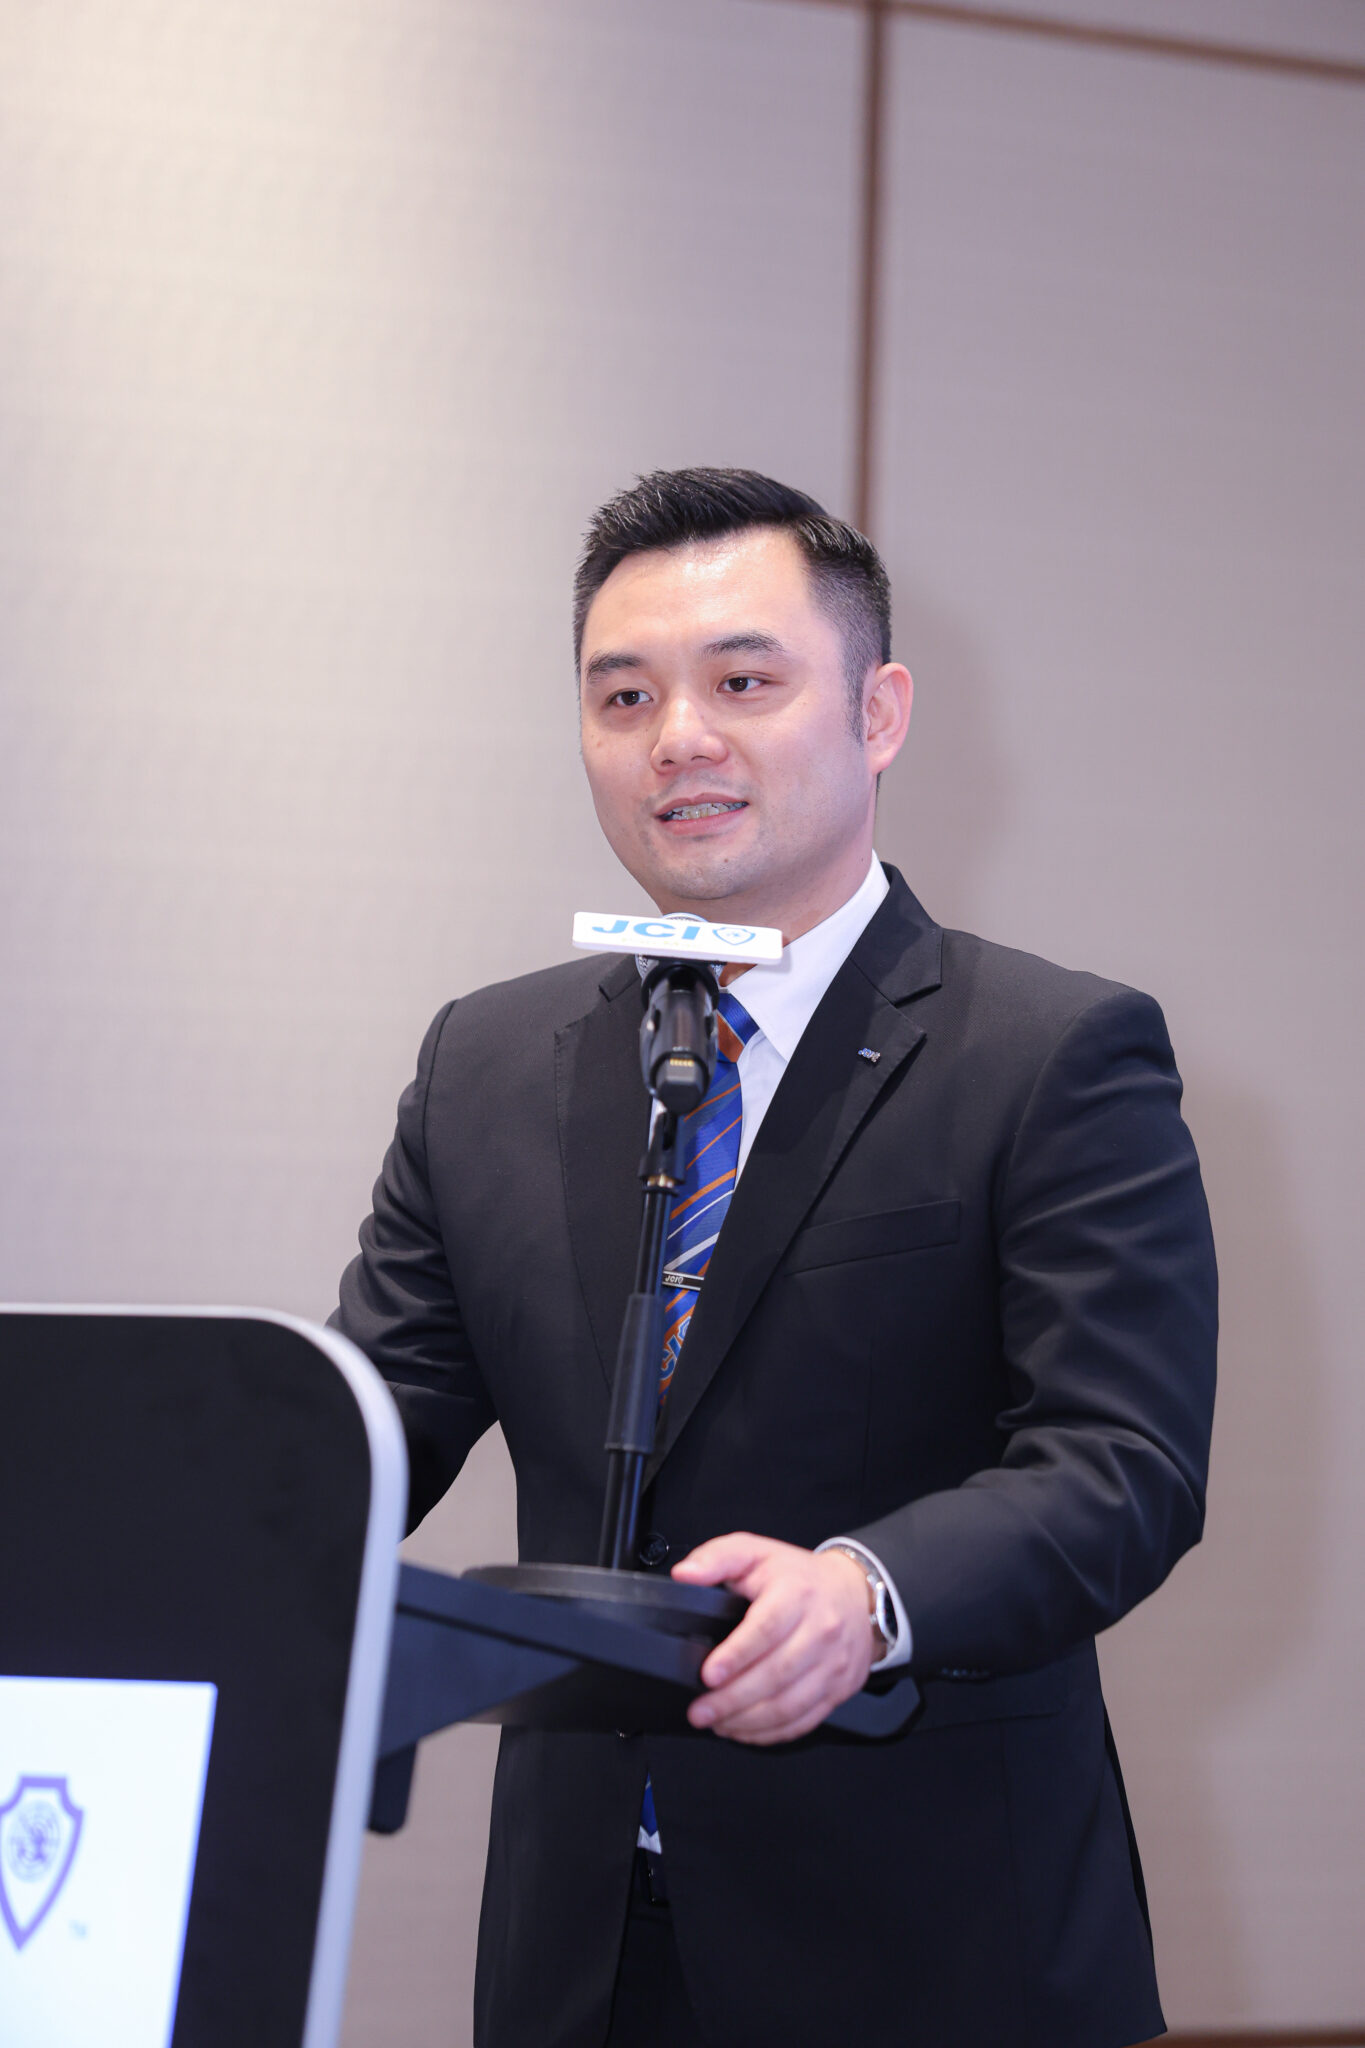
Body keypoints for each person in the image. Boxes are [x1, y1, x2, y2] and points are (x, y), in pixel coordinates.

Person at [333, 468, 1217, 2048]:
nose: (677, 736)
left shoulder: (1049, 1052)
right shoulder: (486, 1062)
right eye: (624, 696)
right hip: (580, 1948)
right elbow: (362, 1428)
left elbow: (1119, 1465)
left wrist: (867, 1593)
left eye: (742, 682)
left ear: (877, 714)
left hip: (935, 1937)